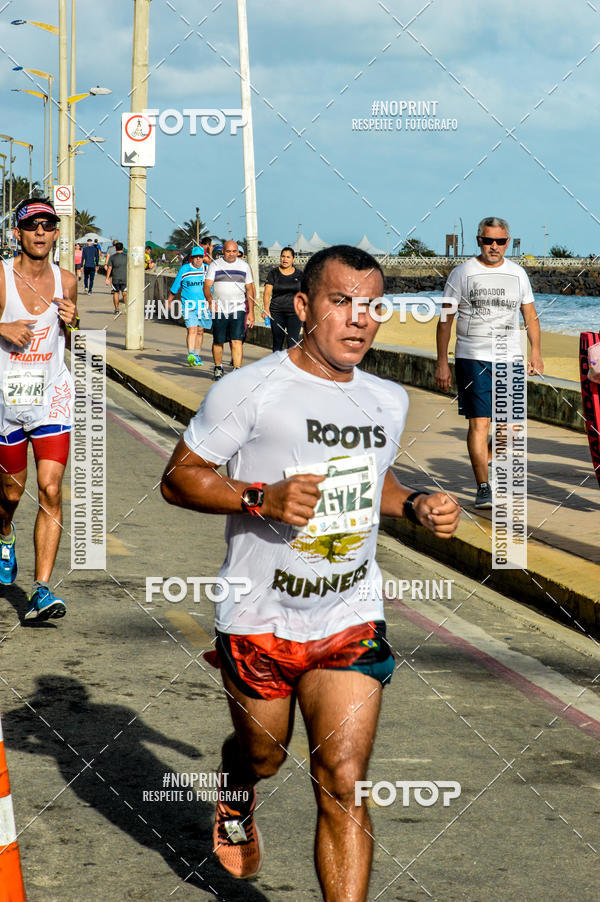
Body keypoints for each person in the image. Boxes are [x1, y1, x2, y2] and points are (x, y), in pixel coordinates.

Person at [161, 244, 460, 897]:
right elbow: (178, 479)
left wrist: (411, 503)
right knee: (265, 753)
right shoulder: (249, 388)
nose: (358, 320)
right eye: (340, 302)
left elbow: (377, 479)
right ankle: (238, 782)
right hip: (257, 617)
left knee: (343, 780)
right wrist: (258, 498)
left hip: (347, 615)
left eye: (371, 306)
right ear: (304, 305)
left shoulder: (385, 400)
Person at [0, 197, 79, 620]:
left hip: (52, 397)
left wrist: (75, 318)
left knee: (51, 488)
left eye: (48, 225)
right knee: (11, 492)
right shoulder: (1, 278)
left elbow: (73, 332)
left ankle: (41, 590)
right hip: (6, 401)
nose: (41, 232)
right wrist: (1, 327)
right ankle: (4, 532)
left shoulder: (67, 280)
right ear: (19, 233)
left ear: (55, 233)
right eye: (33, 226)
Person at [435, 216, 544, 508]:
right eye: (487, 240)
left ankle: (489, 460)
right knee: (480, 423)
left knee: (510, 426)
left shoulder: (518, 274)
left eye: (500, 241)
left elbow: (530, 316)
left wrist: (535, 352)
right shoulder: (461, 273)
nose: (493, 246)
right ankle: (483, 486)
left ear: (508, 242)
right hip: (473, 356)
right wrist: (442, 362)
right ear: (478, 240)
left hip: (510, 356)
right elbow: (445, 321)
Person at [203, 239, 255, 380]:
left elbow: (250, 289)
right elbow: (207, 285)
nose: (231, 254)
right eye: (228, 251)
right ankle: (218, 368)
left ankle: (237, 370)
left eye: (234, 251)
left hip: (238, 308)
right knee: (218, 340)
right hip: (220, 309)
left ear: (238, 252)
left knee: (237, 340)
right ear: (223, 252)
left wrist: (251, 312)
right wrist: (209, 300)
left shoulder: (244, 266)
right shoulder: (215, 265)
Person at [167, 246, 210, 366]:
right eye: (195, 257)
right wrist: (169, 301)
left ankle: (196, 355)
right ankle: (191, 354)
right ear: (191, 258)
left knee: (200, 331)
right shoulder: (185, 269)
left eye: (200, 257)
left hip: (204, 306)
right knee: (192, 329)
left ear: (203, 258)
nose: (198, 259)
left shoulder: (207, 269)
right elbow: (176, 286)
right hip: (189, 306)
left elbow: (212, 287)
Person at [263, 246, 303, 352]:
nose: (285, 259)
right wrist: (266, 309)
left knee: (293, 343)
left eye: (288, 257)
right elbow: (267, 293)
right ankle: (277, 367)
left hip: (295, 313)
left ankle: (291, 368)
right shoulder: (273, 273)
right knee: (277, 342)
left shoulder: (300, 275)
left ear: (293, 259)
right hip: (277, 312)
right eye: (283, 256)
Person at [105, 241, 127, 314]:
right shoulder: (127, 257)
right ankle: (126, 308)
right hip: (125, 278)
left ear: (115, 248)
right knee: (125, 293)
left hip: (115, 278)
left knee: (116, 293)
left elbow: (110, 268)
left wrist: (107, 279)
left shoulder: (112, 257)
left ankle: (116, 309)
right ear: (123, 248)